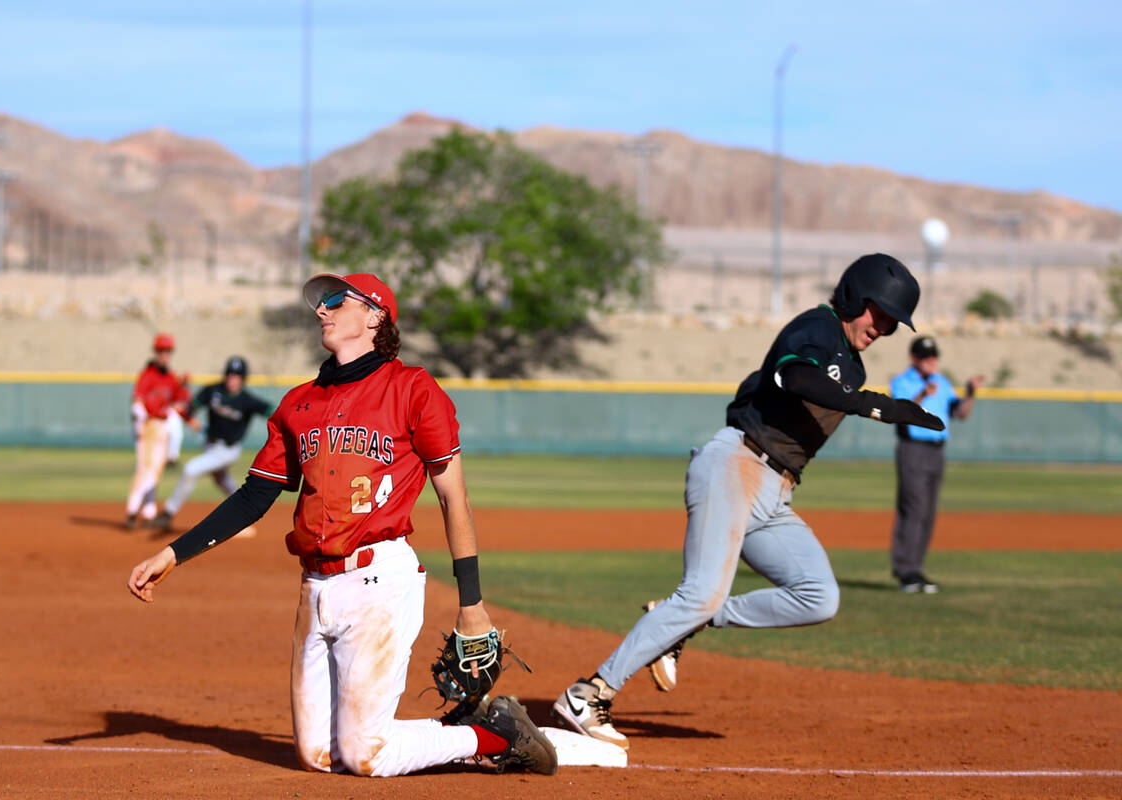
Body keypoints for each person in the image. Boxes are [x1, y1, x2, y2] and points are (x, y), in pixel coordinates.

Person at [127, 272, 556, 777]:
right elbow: (253, 496)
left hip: (380, 580)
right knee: (317, 756)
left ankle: (494, 734)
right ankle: (469, 726)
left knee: (363, 755)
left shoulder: (412, 389)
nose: (321, 310)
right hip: (315, 587)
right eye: (319, 302)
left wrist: (472, 603)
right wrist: (173, 553)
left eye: (336, 300)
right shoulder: (298, 403)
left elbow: (453, 498)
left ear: (376, 316)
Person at [552, 253, 944, 751]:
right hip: (736, 466)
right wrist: (875, 403)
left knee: (818, 596)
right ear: (854, 297)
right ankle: (588, 694)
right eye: (879, 313)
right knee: (699, 593)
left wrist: (869, 399)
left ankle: (681, 622)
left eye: (893, 321)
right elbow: (793, 376)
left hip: (773, 490)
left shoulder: (850, 360)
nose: (884, 327)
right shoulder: (817, 328)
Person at [889, 335, 983, 593]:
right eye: (925, 357)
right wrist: (921, 393)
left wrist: (971, 393)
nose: (931, 361)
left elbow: (960, 413)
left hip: (936, 451)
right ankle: (906, 570)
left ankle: (916, 569)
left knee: (928, 512)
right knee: (913, 508)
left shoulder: (941, 382)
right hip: (913, 448)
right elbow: (899, 413)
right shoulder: (902, 381)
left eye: (934, 356)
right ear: (914, 358)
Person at [148, 356, 272, 532]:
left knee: (191, 469)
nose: (233, 379)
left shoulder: (247, 401)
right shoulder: (213, 390)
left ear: (243, 379)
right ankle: (247, 511)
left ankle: (167, 513)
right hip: (210, 445)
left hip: (228, 451)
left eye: (237, 376)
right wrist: (185, 411)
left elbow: (272, 411)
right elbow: (192, 407)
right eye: (230, 375)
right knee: (222, 480)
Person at [125, 333, 191, 528]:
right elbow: (137, 403)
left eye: (168, 351)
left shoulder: (171, 377)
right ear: (156, 352)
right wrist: (139, 425)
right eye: (162, 351)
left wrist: (184, 386)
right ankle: (132, 510)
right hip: (148, 426)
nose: (165, 355)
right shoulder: (148, 375)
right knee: (148, 470)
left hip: (162, 428)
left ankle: (148, 511)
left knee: (155, 470)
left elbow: (181, 401)